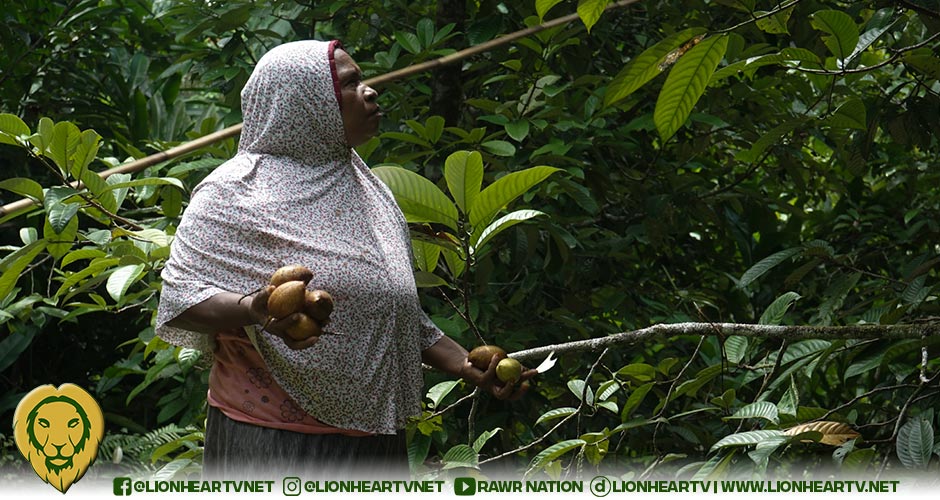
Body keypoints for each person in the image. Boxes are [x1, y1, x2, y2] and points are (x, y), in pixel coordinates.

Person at [155, 40, 534, 480]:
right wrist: (252, 308)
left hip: (375, 436)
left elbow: (384, 304)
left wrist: (463, 363)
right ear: (305, 102)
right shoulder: (232, 193)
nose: (370, 91)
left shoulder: (364, 184)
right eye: (351, 84)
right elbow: (181, 299)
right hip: (275, 439)